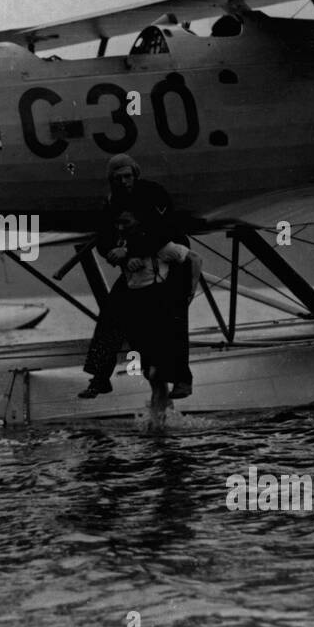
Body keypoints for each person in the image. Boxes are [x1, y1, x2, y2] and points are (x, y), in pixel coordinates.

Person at [79, 153, 191, 398]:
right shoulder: (111, 202)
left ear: (135, 175)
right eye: (117, 178)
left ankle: (183, 379)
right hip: (136, 268)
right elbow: (104, 236)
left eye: (127, 176)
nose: (123, 182)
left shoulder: (154, 193)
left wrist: (130, 250)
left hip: (168, 265)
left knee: (174, 319)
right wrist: (113, 253)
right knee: (110, 314)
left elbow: (164, 230)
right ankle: (100, 377)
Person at [110, 206, 203, 425]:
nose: (122, 228)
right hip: (135, 303)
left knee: (155, 370)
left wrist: (190, 290)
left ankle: (160, 419)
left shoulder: (160, 246)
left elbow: (195, 259)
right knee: (148, 369)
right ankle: (163, 416)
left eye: (127, 223)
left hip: (156, 301)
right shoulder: (122, 246)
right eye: (119, 224)